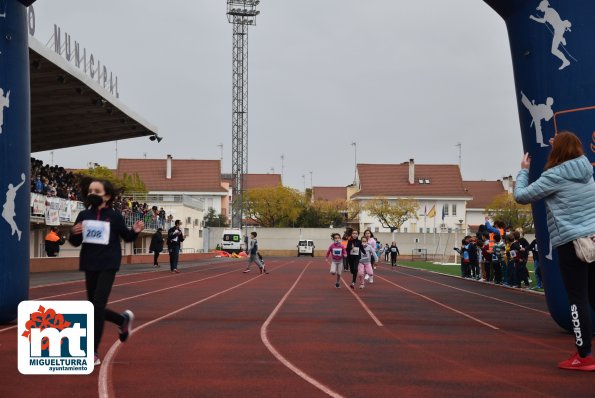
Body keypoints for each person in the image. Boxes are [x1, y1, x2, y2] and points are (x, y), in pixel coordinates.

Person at [514, 131, 595, 371]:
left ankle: (584, 356)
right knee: (593, 295)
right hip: (593, 239)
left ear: (556, 152)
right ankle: (585, 354)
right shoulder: (587, 172)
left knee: (577, 299)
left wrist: (523, 171)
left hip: (572, 244)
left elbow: (521, 196)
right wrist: (562, 143)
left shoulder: (553, 177)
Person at [68, 178, 144, 366]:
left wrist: (134, 231)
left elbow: (126, 237)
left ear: (107, 196)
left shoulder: (115, 216)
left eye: (97, 191)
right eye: (90, 191)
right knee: (93, 307)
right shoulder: (83, 215)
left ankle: (92, 352)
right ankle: (122, 320)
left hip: (108, 263)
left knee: (98, 305)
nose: (92, 194)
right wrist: (73, 233)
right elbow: (75, 242)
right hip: (89, 263)